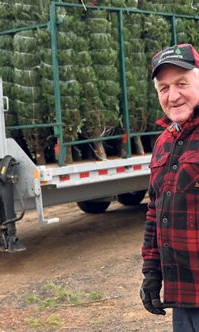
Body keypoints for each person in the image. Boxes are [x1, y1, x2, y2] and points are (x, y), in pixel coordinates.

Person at [140, 43, 199, 332]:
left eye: (181, 84)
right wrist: (151, 272)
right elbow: (155, 210)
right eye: (164, 88)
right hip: (183, 298)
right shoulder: (165, 141)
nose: (173, 96)